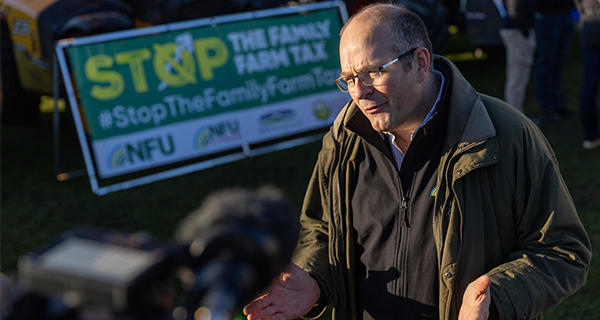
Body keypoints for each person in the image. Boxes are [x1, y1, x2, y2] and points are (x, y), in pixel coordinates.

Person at [243, 3, 592, 320]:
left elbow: (563, 250)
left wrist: (496, 296)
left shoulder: (506, 135)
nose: (359, 92)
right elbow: (320, 229)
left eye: (374, 71)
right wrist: (314, 277)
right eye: (349, 79)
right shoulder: (343, 139)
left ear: (421, 62)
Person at [532, 0, 576, 122]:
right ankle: (546, 108)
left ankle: (556, 104)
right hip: (547, 15)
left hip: (565, 14)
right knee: (546, 63)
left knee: (559, 62)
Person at [499, 0, 536, 113]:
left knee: (518, 77)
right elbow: (514, 10)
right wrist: (525, 32)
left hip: (517, 29)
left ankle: (517, 115)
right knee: (517, 77)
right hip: (517, 31)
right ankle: (516, 117)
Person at [574, 0, 600, 149]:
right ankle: (591, 135)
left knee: (589, 84)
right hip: (592, 27)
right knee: (589, 86)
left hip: (588, 28)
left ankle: (590, 136)